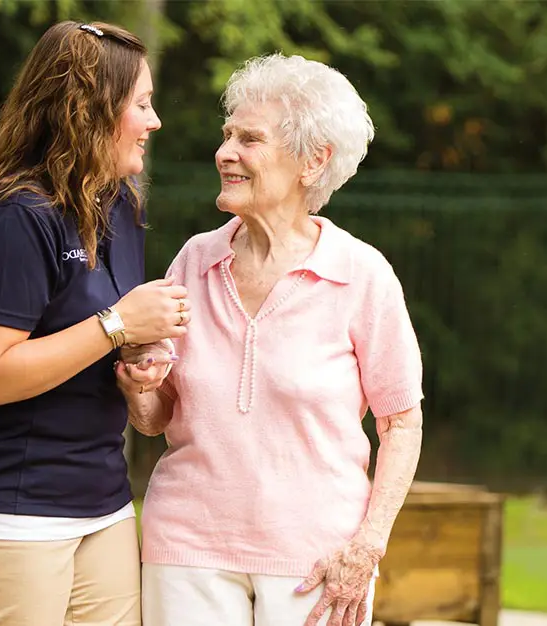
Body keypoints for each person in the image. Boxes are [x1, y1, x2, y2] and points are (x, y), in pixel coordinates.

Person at [124, 53, 424, 626]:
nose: (225, 153)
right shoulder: (195, 259)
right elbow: (155, 418)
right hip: (188, 546)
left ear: (314, 161)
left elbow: (401, 423)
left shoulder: (361, 274)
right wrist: (140, 387)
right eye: (227, 134)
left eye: (250, 139)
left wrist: (368, 545)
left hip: (317, 557)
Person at [0, 19, 185, 626]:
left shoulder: (120, 205)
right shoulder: (17, 216)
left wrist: (137, 358)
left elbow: (92, 339)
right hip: (4, 508)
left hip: (102, 503)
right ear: (89, 110)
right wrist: (117, 324)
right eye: (141, 104)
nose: (154, 120)